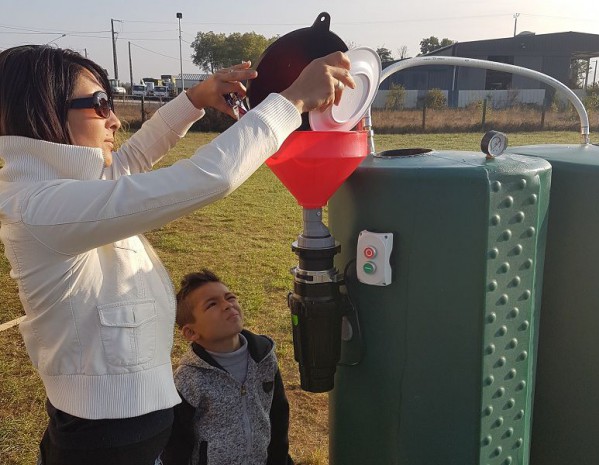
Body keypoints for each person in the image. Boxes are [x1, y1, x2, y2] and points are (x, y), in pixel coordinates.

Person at [0, 44, 354, 465]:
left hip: (116, 432)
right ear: (40, 110)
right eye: (99, 104)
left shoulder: (61, 190)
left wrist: (192, 101)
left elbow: (129, 160)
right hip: (105, 442)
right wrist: (292, 101)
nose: (114, 119)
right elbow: (206, 178)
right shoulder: (39, 206)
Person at [162, 269, 293, 465]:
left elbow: (278, 414)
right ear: (191, 332)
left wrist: (279, 459)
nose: (227, 305)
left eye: (230, 297)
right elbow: (176, 442)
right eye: (212, 304)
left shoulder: (264, 357)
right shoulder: (188, 378)